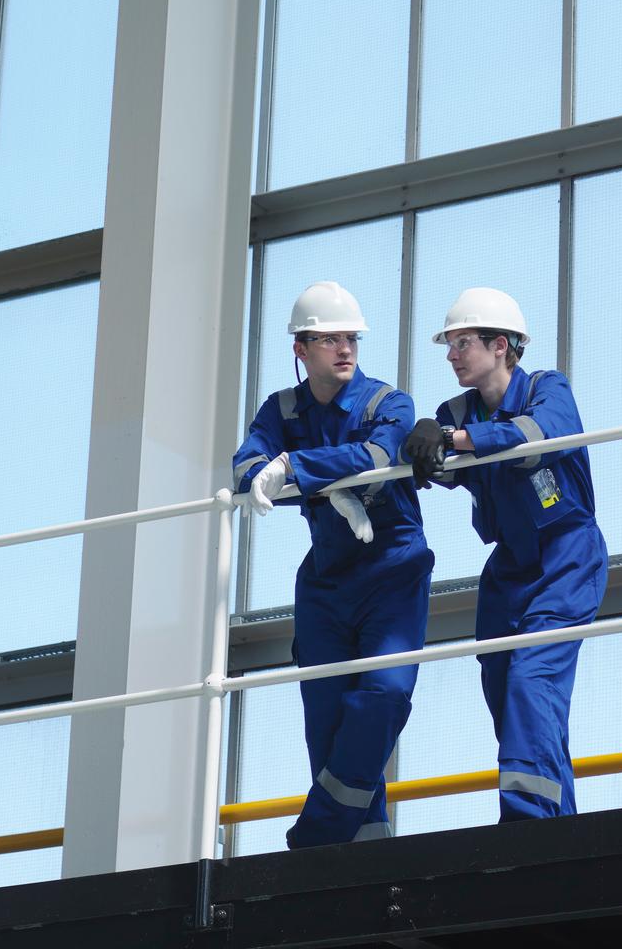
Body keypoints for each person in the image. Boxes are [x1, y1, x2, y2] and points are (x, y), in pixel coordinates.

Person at [232, 280, 431, 848]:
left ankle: (320, 839)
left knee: (385, 695)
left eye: (352, 338)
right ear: (301, 349)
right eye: (329, 339)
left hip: (392, 567)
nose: (345, 349)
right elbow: (245, 470)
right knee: (327, 721)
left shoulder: (387, 402)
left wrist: (297, 468)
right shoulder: (282, 409)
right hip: (325, 580)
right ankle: (367, 845)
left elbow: (379, 454)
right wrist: (307, 478)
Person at [403, 287, 607, 821]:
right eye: (449, 345)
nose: (451, 355)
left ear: (500, 346)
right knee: (504, 686)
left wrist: (454, 439)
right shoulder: (455, 412)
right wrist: (420, 443)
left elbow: (540, 434)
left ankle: (528, 823)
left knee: (530, 680)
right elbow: (445, 470)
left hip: (566, 559)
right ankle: (557, 823)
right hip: (508, 570)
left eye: (462, 343)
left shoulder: (546, 388)